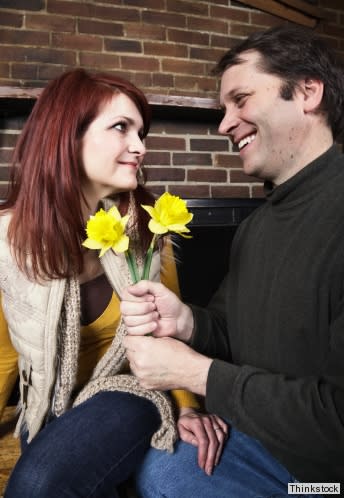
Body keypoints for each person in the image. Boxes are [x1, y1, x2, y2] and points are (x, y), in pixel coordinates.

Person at [121, 24, 344, 497]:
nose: (224, 124)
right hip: (262, 442)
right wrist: (186, 324)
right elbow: (229, 328)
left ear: (307, 92)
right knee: (157, 459)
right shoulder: (256, 227)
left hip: (325, 481)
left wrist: (194, 374)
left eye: (240, 99)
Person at [0, 68, 227, 498]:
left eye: (141, 132)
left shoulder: (148, 229)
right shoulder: (8, 242)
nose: (139, 147)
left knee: (37, 483)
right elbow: (6, 348)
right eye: (121, 127)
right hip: (49, 401)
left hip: (131, 390)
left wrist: (186, 406)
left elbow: (168, 328)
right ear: (68, 136)